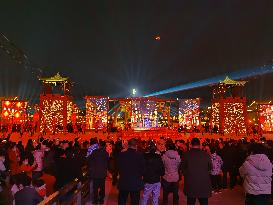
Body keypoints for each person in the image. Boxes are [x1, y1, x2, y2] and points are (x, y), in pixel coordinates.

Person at [182, 138, 212, 205]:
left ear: (191, 145)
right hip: (203, 183)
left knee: (190, 202)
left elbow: (182, 168)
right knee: (204, 202)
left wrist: (187, 175)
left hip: (191, 182)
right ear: (200, 145)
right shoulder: (205, 155)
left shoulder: (186, 155)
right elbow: (210, 167)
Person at [117, 138, 145, 205]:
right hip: (136, 182)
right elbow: (143, 169)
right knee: (135, 201)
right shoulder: (140, 155)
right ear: (136, 146)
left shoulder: (122, 155)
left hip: (124, 181)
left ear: (128, 145)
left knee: (122, 200)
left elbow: (118, 167)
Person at [88, 140, 109, 205]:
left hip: (95, 173)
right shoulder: (106, 153)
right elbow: (107, 162)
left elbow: (89, 160)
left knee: (95, 187)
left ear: (99, 145)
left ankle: (95, 200)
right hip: (102, 173)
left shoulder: (94, 152)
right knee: (102, 186)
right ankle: (101, 200)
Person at [161, 141, 181, 205]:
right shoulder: (178, 156)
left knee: (165, 192)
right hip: (175, 176)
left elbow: (162, 165)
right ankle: (175, 203)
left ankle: (165, 202)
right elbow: (179, 165)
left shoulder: (164, 156)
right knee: (175, 192)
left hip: (166, 176)